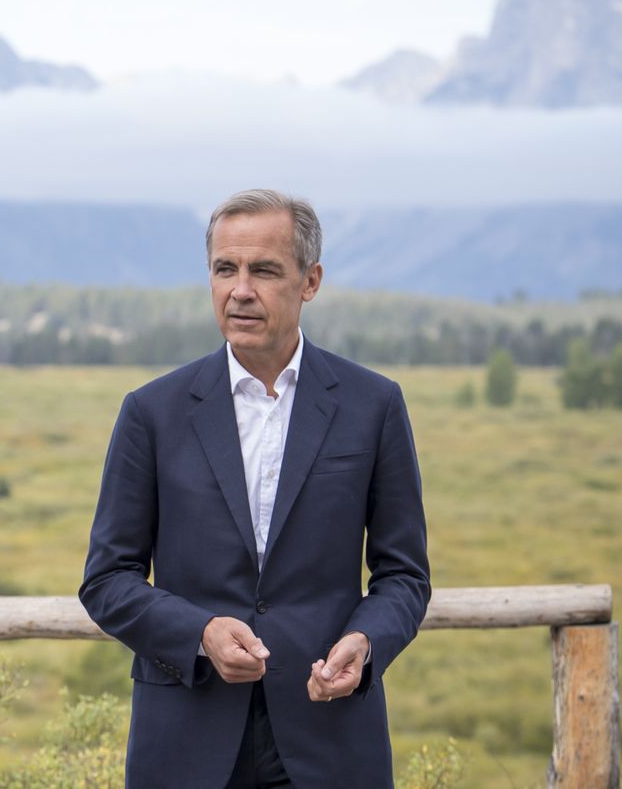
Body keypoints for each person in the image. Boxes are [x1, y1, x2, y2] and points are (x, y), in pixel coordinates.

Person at [79, 189, 430, 788]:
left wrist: (366, 641)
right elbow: (107, 580)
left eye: (264, 270)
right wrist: (199, 633)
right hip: (186, 741)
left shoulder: (374, 405)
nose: (240, 289)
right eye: (225, 269)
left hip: (332, 737)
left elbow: (404, 576)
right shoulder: (151, 411)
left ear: (310, 281)